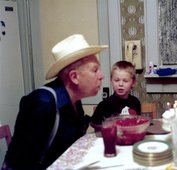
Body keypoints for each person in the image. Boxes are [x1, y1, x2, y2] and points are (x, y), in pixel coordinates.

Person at [2, 34, 108, 170]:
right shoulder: (41, 103)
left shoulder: (75, 101)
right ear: (74, 77)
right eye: (95, 70)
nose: (101, 76)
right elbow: (21, 163)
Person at [91, 60, 141, 128]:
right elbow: (94, 125)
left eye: (125, 81)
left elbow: (137, 124)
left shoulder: (135, 102)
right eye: (116, 80)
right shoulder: (104, 104)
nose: (120, 84)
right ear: (111, 81)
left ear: (133, 83)